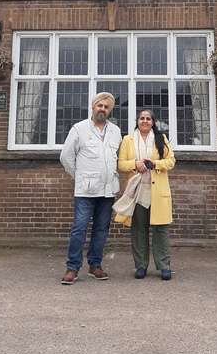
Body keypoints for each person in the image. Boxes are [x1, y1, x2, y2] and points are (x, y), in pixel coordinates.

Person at [59, 92, 121, 285]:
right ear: (93, 107)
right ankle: (72, 268)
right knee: (79, 228)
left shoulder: (116, 131)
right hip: (85, 191)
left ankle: (95, 265)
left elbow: (114, 157)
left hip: (107, 189)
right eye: (99, 105)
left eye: (106, 107)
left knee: (101, 229)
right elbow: (66, 157)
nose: (102, 109)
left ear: (110, 110)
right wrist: (79, 177)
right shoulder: (79, 129)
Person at [117, 109, 176, 280]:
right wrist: (135, 164)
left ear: (153, 122)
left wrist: (154, 163)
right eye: (141, 118)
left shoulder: (161, 139)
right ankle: (141, 266)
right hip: (137, 192)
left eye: (148, 118)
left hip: (158, 191)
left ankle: (164, 266)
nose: (144, 121)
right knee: (138, 230)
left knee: (161, 229)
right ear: (137, 121)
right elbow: (121, 164)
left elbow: (171, 161)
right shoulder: (127, 140)